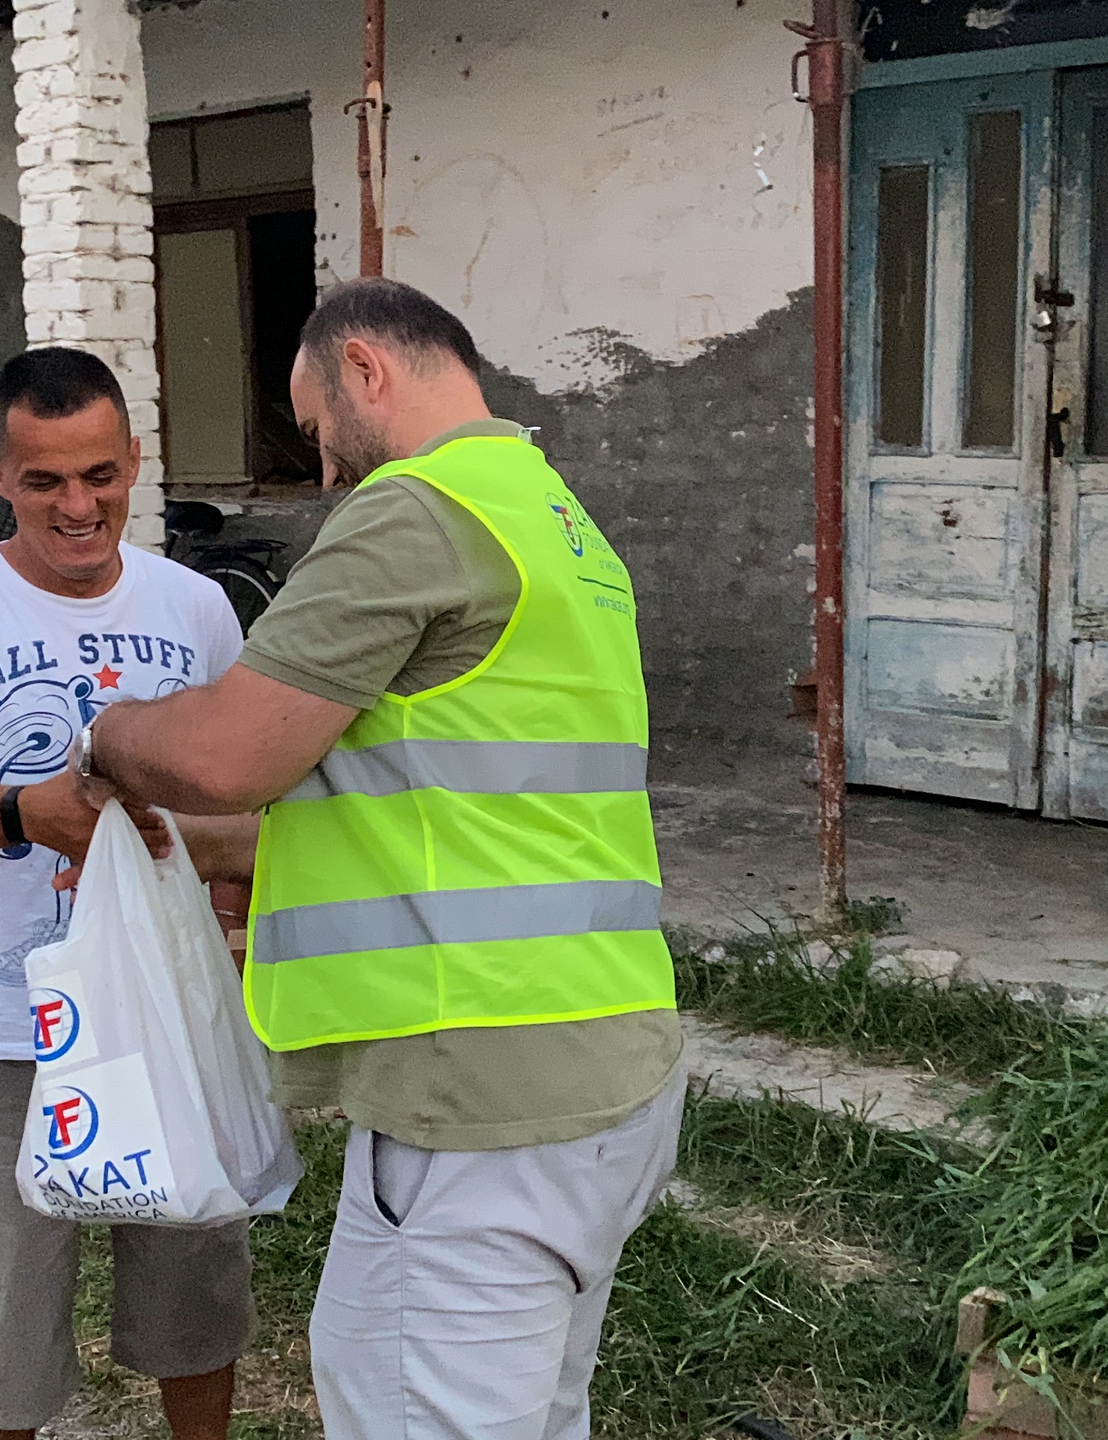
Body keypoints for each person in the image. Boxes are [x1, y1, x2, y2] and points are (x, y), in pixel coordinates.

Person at [67, 278, 683, 1440]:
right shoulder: (555, 518)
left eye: (315, 432)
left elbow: (226, 755)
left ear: (364, 369)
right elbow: (444, 808)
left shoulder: (415, 510)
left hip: (474, 1096)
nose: (324, 469)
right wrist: (179, 849)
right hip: (605, 1069)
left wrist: (106, 740)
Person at [0, 347, 256, 1440]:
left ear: (135, 459)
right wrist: (26, 812)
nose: (78, 507)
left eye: (99, 475)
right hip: (3, 1027)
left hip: (169, 1014)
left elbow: (245, 794)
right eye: (44, 481)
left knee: (196, 1299)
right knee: (9, 1329)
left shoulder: (197, 609)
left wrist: (232, 930)